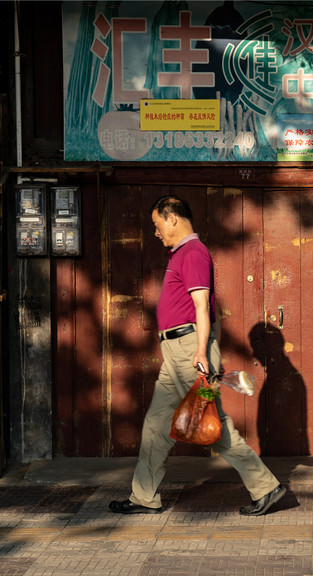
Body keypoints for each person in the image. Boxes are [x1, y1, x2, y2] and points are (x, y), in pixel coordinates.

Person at [109, 195, 285, 516]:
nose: (156, 232)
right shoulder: (181, 254)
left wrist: (201, 350)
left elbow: (202, 305)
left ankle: (266, 487)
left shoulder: (192, 253)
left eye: (157, 224)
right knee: (156, 424)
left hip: (191, 350)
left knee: (210, 423)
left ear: (172, 218)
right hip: (176, 351)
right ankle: (143, 497)